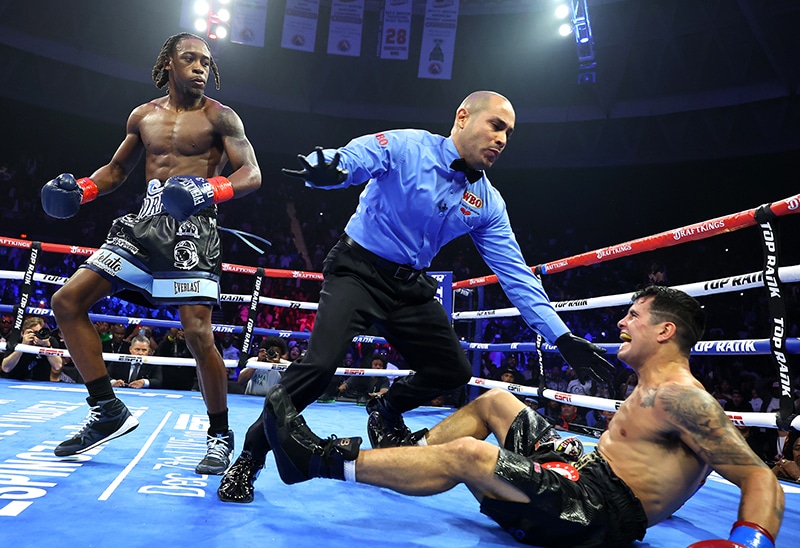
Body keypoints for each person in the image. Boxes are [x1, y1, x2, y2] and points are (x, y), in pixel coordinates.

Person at [218, 90, 614, 502]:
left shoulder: (489, 203)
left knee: (453, 370)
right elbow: (357, 157)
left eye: (509, 134)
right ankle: (250, 457)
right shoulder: (409, 146)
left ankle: (386, 411)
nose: (502, 140)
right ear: (462, 117)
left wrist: (561, 336)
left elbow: (514, 272)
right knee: (318, 368)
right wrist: (331, 168)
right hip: (358, 270)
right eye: (496, 126)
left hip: (410, 286)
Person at [263, 285, 785, 547]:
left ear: (665, 332)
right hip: (581, 472)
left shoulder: (683, 399)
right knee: (496, 400)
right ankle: (412, 457)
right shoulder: (652, 387)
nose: (623, 323)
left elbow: (759, 475)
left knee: (471, 455)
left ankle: (316, 460)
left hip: (596, 512)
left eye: (634, 316)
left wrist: (749, 543)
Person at [40, 32, 261, 474]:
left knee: (198, 334)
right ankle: (107, 410)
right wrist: (82, 189)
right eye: (190, 59)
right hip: (143, 225)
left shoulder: (222, 117)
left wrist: (208, 189)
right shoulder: (144, 115)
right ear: (169, 66)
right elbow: (118, 170)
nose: (200, 67)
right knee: (67, 301)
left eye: (206, 61)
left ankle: (219, 435)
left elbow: (251, 173)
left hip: (193, 229)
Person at [1, 317, 63, 381]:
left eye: (38, 332)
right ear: (22, 334)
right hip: (15, 381)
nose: (34, 336)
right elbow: (6, 368)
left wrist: (47, 347)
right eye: (30, 332)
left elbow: (58, 366)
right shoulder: (15, 341)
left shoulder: (49, 341)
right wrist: (22, 346)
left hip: (41, 384)